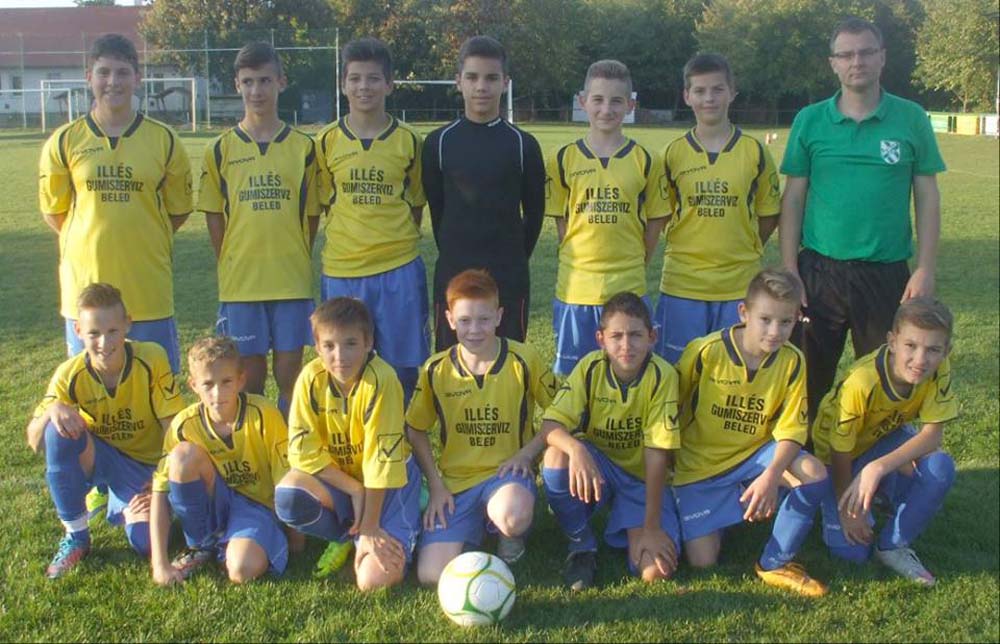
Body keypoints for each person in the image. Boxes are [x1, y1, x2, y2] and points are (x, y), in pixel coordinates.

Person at [780, 17, 946, 415]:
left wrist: (925, 267)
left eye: (867, 52)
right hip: (818, 273)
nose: (858, 61)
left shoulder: (911, 118)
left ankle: (878, 453)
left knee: (885, 380)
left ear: (882, 57)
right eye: (847, 54)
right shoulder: (810, 120)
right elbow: (794, 199)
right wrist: (789, 268)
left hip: (885, 273)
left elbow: (927, 197)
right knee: (804, 380)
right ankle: (799, 452)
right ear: (833, 63)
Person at [38, 33, 193, 374]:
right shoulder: (64, 141)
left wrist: (143, 235)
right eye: (104, 72)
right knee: (87, 392)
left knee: (156, 387)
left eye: (122, 72)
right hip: (85, 294)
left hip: (147, 291)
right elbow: (55, 213)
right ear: (88, 77)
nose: (113, 81)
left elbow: (179, 210)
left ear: (137, 78)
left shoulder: (164, 140)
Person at [672, 268, 830, 597]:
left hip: (755, 457)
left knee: (813, 473)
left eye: (785, 322)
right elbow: (671, 407)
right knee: (703, 562)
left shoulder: (793, 361)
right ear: (744, 313)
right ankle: (729, 506)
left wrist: (771, 475)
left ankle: (774, 562)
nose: (775, 331)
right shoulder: (706, 352)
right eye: (765, 320)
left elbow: (792, 429)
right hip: (700, 467)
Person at [407, 270, 558, 585]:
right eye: (464, 320)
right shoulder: (436, 369)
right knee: (431, 575)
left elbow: (560, 410)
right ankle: (476, 528)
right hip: (456, 484)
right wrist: (435, 484)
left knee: (511, 515)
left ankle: (508, 535)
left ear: (499, 316)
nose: (474, 330)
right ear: (449, 319)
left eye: (484, 319)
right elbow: (415, 428)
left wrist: (527, 454)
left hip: (507, 476)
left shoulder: (523, 359)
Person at [25, 283, 184, 579]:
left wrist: (159, 485)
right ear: (78, 331)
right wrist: (51, 410)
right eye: (94, 333)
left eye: (112, 331)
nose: (104, 342)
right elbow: (35, 441)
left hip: (149, 466)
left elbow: (173, 430)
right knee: (56, 431)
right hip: (105, 459)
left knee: (145, 543)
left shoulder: (151, 358)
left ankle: (124, 504)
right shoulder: (70, 374)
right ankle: (76, 536)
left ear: (128, 324)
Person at [199, 42, 321, 417]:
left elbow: (311, 215)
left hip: (290, 279)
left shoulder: (304, 148)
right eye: (248, 82)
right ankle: (253, 447)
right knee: (248, 383)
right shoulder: (220, 149)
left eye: (265, 80)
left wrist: (295, 251)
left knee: (290, 380)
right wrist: (230, 258)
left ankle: (288, 445)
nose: (257, 91)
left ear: (281, 82)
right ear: (237, 85)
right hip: (242, 282)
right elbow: (214, 215)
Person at [273, 297, 421, 591]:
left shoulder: (382, 380)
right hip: (343, 482)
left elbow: (381, 463)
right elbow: (302, 452)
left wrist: (371, 527)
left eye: (350, 343)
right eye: (329, 346)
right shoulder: (310, 378)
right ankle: (347, 537)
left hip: (390, 487)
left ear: (368, 342)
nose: (339, 356)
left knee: (372, 582)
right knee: (289, 495)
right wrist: (354, 489)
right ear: (317, 347)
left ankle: (392, 520)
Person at [540, 292, 681, 591]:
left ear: (652, 337)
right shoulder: (590, 367)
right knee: (556, 455)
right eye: (616, 336)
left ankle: (632, 518)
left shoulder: (662, 376)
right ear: (600, 339)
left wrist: (652, 528)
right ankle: (582, 544)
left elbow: (657, 453)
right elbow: (550, 425)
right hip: (600, 468)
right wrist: (576, 448)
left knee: (654, 572)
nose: (626, 345)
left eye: (635, 335)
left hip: (641, 479)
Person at [812, 297, 957, 585]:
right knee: (852, 553)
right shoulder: (863, 381)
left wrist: (877, 467)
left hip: (881, 439)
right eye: (911, 346)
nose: (920, 359)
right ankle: (856, 496)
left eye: (933, 349)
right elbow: (838, 450)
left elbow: (933, 435)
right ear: (892, 342)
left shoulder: (940, 368)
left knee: (940, 467)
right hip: (836, 459)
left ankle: (892, 545)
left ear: (946, 351)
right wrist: (847, 510)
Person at [316, 37, 429, 402]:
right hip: (343, 269)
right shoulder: (326, 141)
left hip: (398, 268)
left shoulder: (410, 141)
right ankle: (352, 433)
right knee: (344, 367)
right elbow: (324, 202)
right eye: (355, 78)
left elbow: (415, 202)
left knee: (403, 369)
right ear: (343, 84)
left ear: (389, 84)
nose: (364, 86)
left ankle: (404, 435)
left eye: (373, 78)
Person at [654, 53, 781, 364]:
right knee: (679, 372)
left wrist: (746, 246)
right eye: (699, 91)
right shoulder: (671, 154)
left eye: (717, 89)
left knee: (733, 372)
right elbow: (660, 215)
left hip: (738, 284)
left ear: (732, 92)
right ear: (687, 96)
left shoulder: (754, 151)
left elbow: (769, 214)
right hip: (683, 283)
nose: (709, 98)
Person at [545, 60, 669, 376]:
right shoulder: (562, 158)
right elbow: (562, 221)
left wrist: (637, 259)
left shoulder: (646, 160)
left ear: (630, 105)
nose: (606, 109)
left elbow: (656, 220)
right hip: (576, 288)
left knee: (629, 375)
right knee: (574, 379)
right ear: (583, 101)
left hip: (628, 284)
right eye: (598, 99)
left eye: (616, 101)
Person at [422, 35, 545, 350]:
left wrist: (513, 256)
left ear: (505, 82)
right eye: (472, 77)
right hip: (454, 271)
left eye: (491, 78)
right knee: (452, 362)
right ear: (458, 81)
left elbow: (535, 214)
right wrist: (456, 249)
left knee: (508, 361)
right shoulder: (438, 143)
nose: (481, 86)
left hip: (508, 274)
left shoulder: (523, 145)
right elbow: (438, 210)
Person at [149, 337, 291, 585]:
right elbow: (160, 491)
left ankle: (239, 543)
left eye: (226, 382)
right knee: (182, 457)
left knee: (242, 570)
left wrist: (296, 541)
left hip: (256, 507)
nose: (217, 393)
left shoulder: (264, 414)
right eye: (208, 384)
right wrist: (159, 564)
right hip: (215, 500)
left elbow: (286, 482)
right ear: (193, 385)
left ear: (241, 380)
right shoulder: (184, 425)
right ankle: (201, 544)